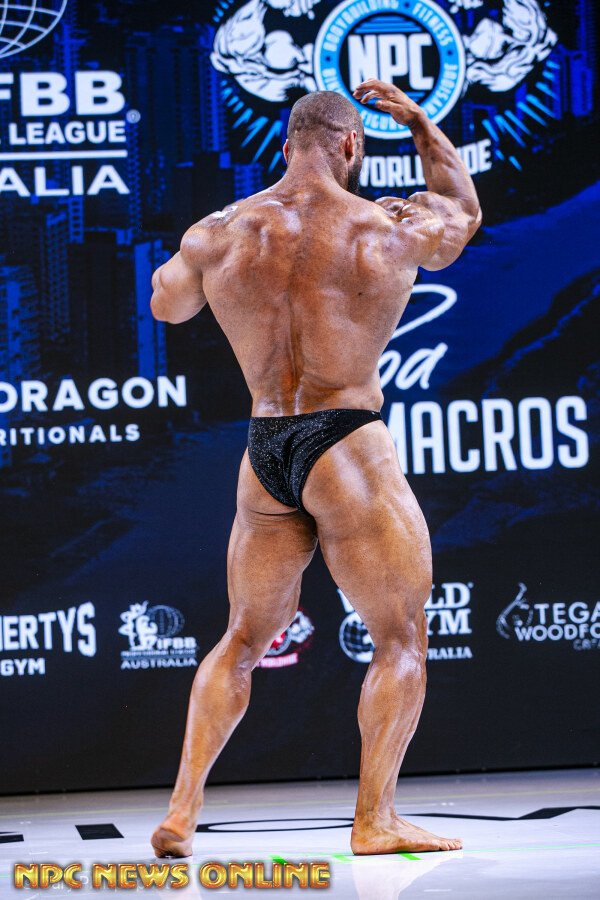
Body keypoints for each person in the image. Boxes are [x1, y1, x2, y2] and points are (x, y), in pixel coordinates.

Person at [149, 78, 482, 858]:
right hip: (346, 441)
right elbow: (463, 211)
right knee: (400, 637)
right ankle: (374, 821)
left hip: (266, 448)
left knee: (241, 637)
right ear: (350, 145)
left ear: (287, 145)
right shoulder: (385, 226)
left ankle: (181, 812)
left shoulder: (223, 230)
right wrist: (422, 124)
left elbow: (167, 305)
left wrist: (214, 251)